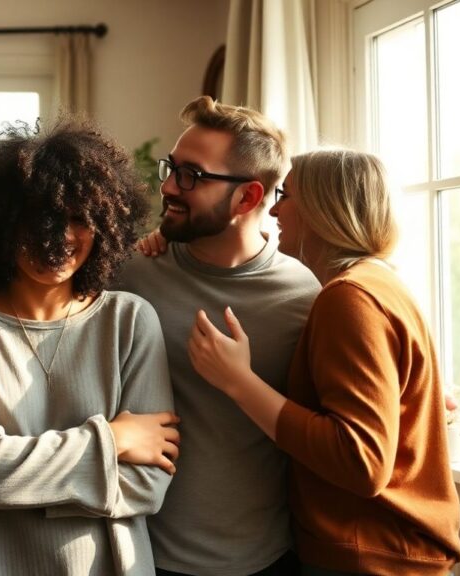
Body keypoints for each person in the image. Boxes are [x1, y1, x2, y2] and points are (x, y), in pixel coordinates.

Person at [0, 118, 180, 576]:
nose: (59, 237)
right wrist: (112, 440)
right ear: (1, 223)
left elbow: (149, 484)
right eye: (39, 218)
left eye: (79, 218)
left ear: (106, 224)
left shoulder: (130, 320)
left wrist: (2, 487)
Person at [187, 149, 460, 574]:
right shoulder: (379, 282)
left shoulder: (349, 298)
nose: (275, 209)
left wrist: (238, 381)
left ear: (323, 209)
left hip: (367, 559)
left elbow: (362, 463)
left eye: (288, 195)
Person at [115, 96, 321, 575]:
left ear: (248, 197)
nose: (167, 185)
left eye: (191, 175)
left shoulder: (304, 296)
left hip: (269, 559)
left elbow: (334, 417)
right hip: (145, 555)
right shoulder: (132, 272)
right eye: (172, 168)